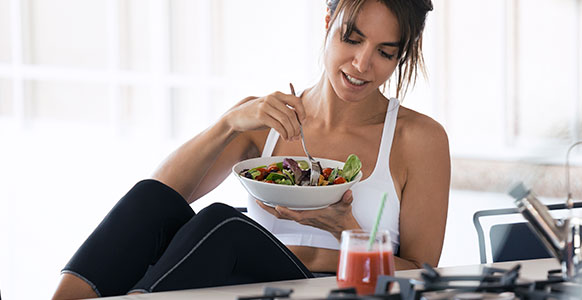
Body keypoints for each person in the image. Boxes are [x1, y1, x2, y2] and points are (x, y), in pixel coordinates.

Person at [52, 0, 449, 298]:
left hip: (339, 288)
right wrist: (229, 123)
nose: (363, 64)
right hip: (246, 285)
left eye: (385, 52)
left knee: (224, 226)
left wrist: (344, 231)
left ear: (401, 55)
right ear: (328, 25)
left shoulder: (417, 138)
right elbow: (159, 199)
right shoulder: (266, 117)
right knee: (150, 198)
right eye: (352, 38)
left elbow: (421, 271)